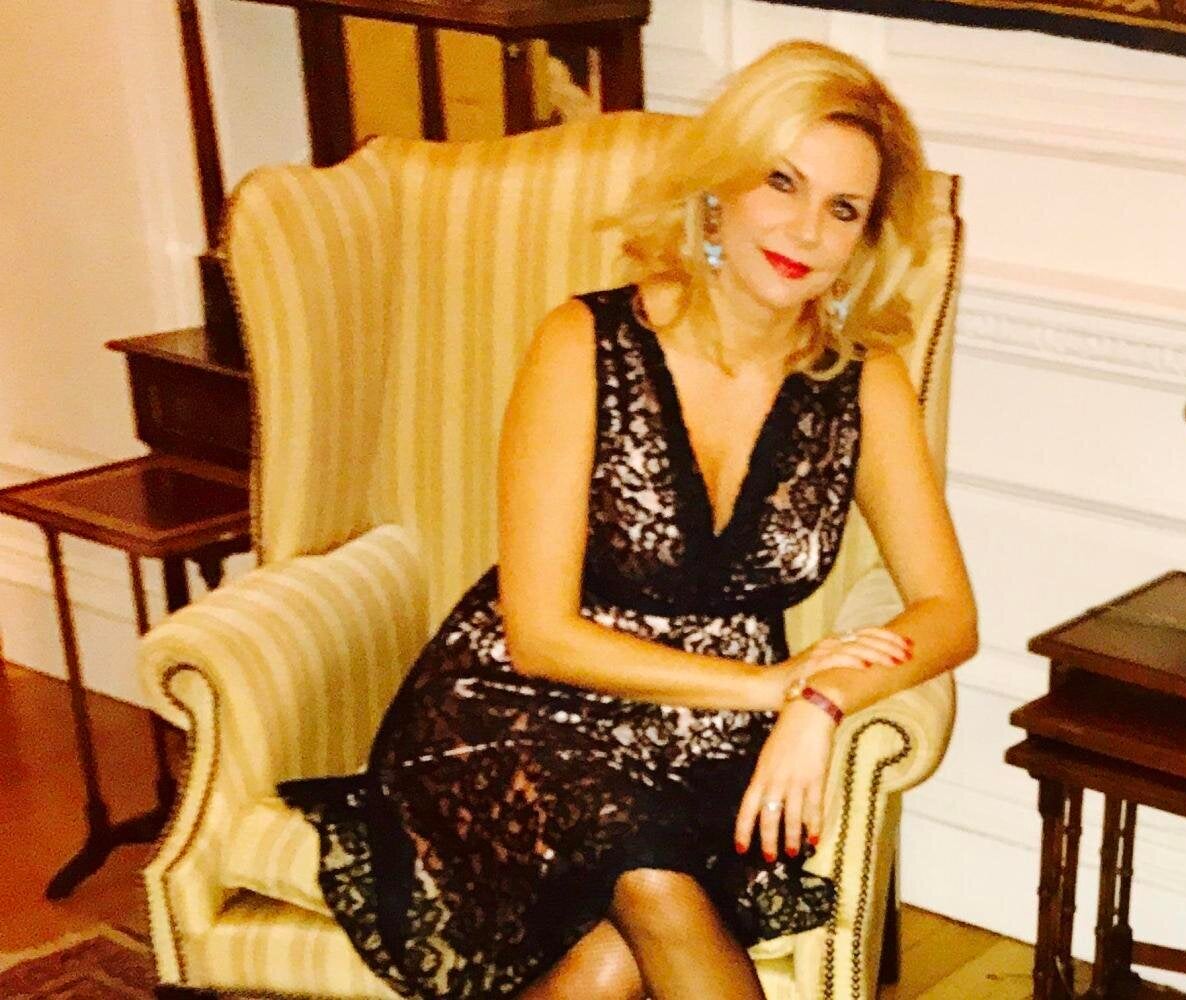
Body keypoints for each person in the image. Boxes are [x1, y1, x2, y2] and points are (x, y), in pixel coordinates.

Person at [277, 41, 977, 1000]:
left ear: (865, 239)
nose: (806, 230)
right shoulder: (585, 342)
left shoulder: (865, 381)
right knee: (651, 883)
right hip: (525, 711)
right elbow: (540, 634)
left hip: (709, 743)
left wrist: (821, 703)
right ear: (720, 189)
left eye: (843, 208)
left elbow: (948, 613)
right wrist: (769, 688)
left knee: (613, 959)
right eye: (781, 182)